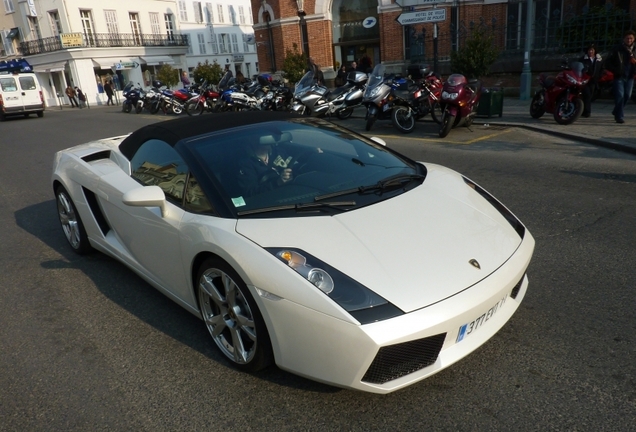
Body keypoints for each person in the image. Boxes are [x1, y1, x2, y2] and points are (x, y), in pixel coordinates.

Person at [604, 30, 636, 123]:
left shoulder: (635, 49)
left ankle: (616, 111)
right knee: (620, 96)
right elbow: (608, 62)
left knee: (627, 95)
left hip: (630, 76)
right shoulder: (617, 48)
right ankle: (619, 117)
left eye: (631, 38)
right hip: (619, 76)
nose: (629, 40)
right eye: (627, 38)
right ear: (624, 39)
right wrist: (616, 70)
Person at [579, 44, 602, 118]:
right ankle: (587, 112)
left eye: (592, 50)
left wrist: (599, 76)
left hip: (594, 80)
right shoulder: (583, 59)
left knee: (590, 96)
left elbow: (601, 69)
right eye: (589, 50)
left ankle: (583, 110)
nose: (591, 51)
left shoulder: (598, 59)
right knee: (587, 94)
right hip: (585, 80)